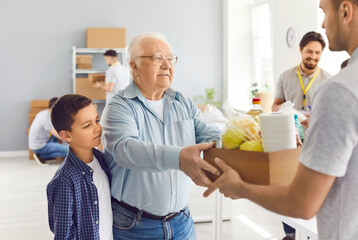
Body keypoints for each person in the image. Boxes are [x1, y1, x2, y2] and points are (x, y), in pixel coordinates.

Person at [204, 0, 358, 239]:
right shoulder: (292, 77)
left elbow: (303, 203)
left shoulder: (338, 89)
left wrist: (239, 187)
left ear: (345, 11)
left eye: (324, 11)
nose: (323, 23)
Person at [101, 32, 221, 240]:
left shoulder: (182, 102)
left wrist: (250, 140)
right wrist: (179, 158)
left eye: (170, 58)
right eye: (157, 58)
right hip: (135, 226)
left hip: (182, 221)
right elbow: (125, 149)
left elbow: (209, 134)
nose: (166, 65)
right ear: (134, 66)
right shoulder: (119, 106)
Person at [47, 94, 113, 240]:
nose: (97, 128)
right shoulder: (65, 181)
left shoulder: (102, 160)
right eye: (87, 125)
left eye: (96, 120)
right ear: (66, 135)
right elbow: (63, 235)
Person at [272, 31, 332, 128]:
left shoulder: (329, 80)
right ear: (300, 50)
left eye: (317, 53)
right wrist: (281, 108)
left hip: (316, 132)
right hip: (290, 132)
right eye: (309, 51)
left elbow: (332, 113)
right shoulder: (284, 77)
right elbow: (275, 106)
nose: (313, 56)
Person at [28, 97, 68, 165]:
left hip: (40, 141)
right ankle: (41, 156)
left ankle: (47, 151)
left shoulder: (44, 112)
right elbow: (60, 136)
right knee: (68, 151)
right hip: (40, 146)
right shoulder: (46, 119)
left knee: (59, 131)